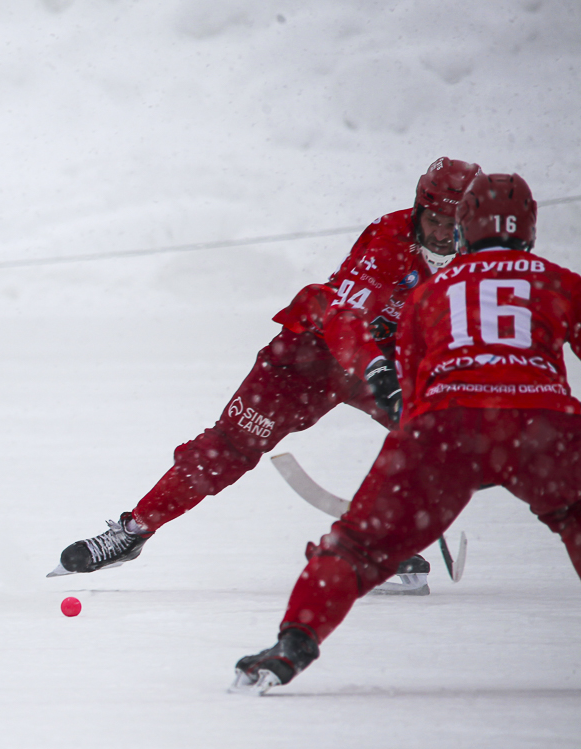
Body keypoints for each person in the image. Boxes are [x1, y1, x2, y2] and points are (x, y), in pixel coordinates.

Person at [53, 157, 482, 594]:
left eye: (454, 222)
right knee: (228, 447)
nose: (443, 232)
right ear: (418, 208)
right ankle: (133, 532)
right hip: (310, 357)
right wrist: (380, 373)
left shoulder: (478, 254)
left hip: (386, 358)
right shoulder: (392, 240)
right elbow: (345, 319)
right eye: (435, 219)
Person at [233, 171, 581, 693]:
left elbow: (415, 390)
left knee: (357, 547)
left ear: (465, 227)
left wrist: (432, 466)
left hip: (447, 425)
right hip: (545, 424)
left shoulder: (431, 293)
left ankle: (294, 643)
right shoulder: (560, 282)